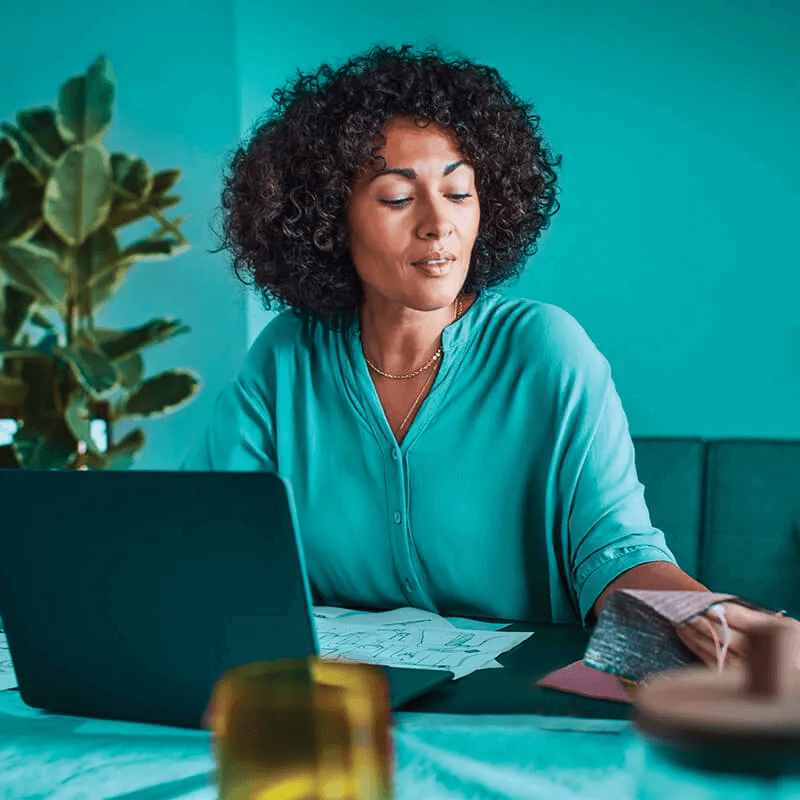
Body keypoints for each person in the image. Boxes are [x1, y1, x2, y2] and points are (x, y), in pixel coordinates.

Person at [183, 43, 794, 671]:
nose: (437, 224)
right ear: (329, 219)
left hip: (515, 710)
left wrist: (704, 613)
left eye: (459, 193)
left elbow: (615, 552)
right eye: (398, 199)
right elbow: (205, 540)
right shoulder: (286, 356)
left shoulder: (546, 350)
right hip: (335, 709)